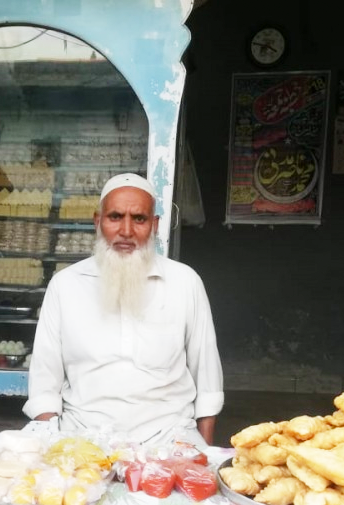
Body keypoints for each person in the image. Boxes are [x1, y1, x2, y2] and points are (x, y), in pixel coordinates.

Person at [23, 173, 224, 447]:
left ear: (154, 225)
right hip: (82, 437)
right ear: (98, 221)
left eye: (139, 219)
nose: (126, 231)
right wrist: (53, 446)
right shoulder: (65, 285)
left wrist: (204, 454)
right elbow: (45, 380)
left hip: (170, 439)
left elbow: (208, 378)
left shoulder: (184, 282)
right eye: (115, 217)